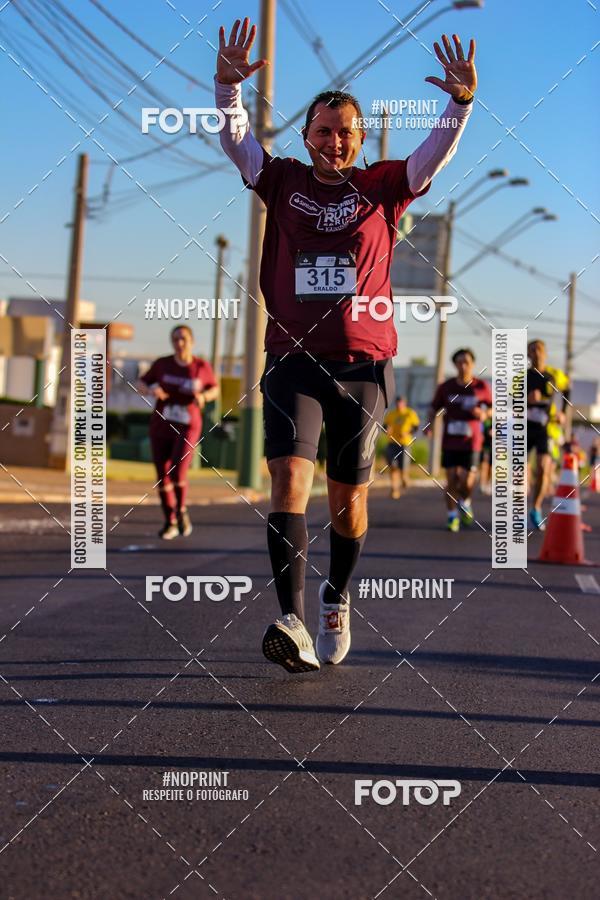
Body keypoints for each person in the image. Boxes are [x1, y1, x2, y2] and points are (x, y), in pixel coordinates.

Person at [215, 17, 476, 672]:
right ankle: (293, 620)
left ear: (360, 141)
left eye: (345, 132)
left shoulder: (383, 187)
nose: (334, 140)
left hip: (363, 364)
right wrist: (225, 88)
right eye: (323, 131)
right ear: (307, 138)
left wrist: (459, 104)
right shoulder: (281, 181)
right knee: (286, 481)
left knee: (347, 502)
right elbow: (236, 140)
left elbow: (432, 157)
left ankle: (336, 596)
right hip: (293, 360)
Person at [138, 326, 219, 539]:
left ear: (191, 341)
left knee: (177, 471)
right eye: (175, 339)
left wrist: (204, 397)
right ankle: (170, 521)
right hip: (161, 423)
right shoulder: (162, 364)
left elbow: (214, 388)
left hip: (188, 425)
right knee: (162, 475)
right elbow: (141, 383)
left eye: (183, 338)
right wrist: (151, 389)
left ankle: (181, 509)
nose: (179, 343)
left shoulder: (201, 366)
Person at [428, 349, 492, 532]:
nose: (463, 365)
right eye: (460, 362)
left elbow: (494, 409)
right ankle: (452, 516)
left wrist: (485, 413)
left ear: (473, 364)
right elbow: (433, 409)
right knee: (451, 479)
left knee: (467, 481)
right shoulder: (446, 387)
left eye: (467, 362)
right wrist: (429, 425)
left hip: (472, 442)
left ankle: (466, 501)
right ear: (455, 365)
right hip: (450, 441)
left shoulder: (481, 387)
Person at [526, 339, 569, 530]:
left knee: (544, 468)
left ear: (546, 352)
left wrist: (563, 413)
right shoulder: (522, 377)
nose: (536, 353)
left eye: (539, 349)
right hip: (524, 427)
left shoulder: (554, 375)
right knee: (520, 474)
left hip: (545, 428)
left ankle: (535, 508)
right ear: (528, 354)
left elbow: (568, 388)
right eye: (532, 350)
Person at [383, 396, 420, 498]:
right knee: (392, 466)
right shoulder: (391, 414)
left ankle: (404, 477)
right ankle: (394, 489)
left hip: (404, 444)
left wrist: (408, 432)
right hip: (392, 443)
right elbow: (385, 426)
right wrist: (387, 429)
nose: (399, 405)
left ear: (404, 403)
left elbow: (416, 427)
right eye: (398, 403)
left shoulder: (410, 413)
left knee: (403, 468)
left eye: (401, 403)